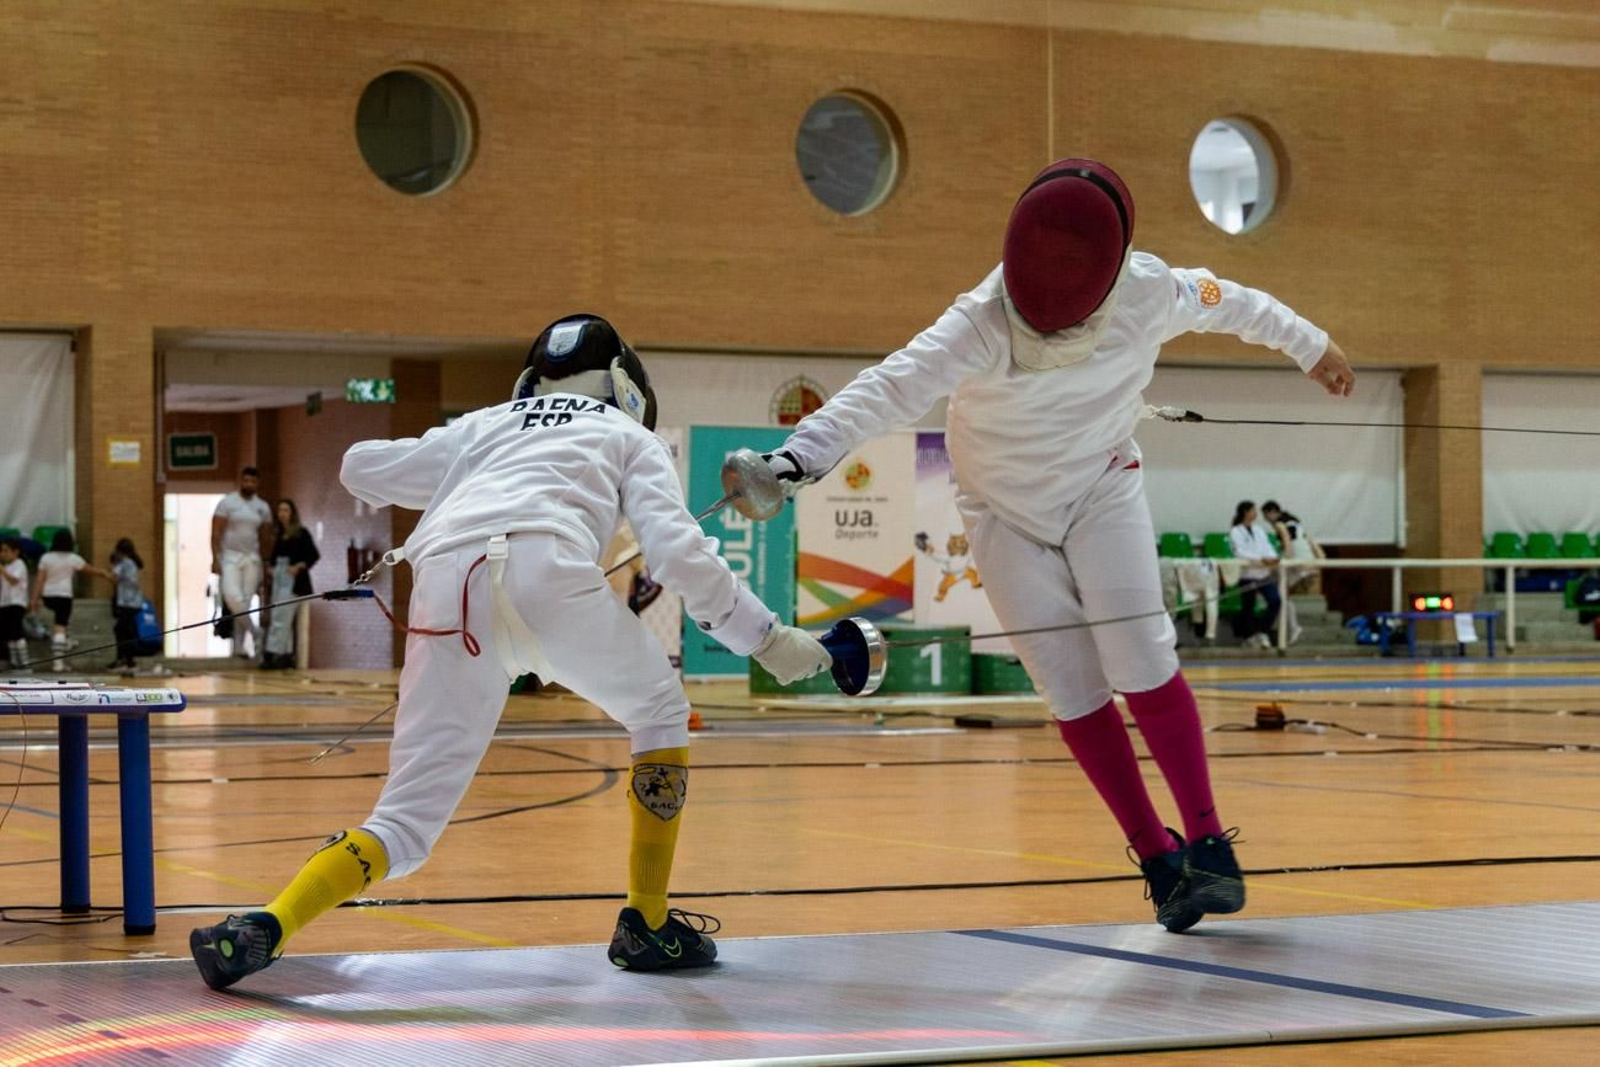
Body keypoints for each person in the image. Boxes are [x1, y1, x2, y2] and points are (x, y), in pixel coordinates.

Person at [758, 159, 1354, 933]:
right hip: (1004, 516)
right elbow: (890, 385)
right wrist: (795, 458)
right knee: (1071, 686)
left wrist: (1313, 345)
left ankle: (1208, 841)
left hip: (1102, 488)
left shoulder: (1153, 289)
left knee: (1141, 653)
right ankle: (1158, 859)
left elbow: (1233, 300)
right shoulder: (979, 320)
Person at [190, 313, 832, 989]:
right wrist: (765, 638)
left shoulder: (483, 425)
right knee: (660, 713)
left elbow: (359, 466)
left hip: (444, 591)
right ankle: (646, 922)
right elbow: (677, 554)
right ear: (627, 386)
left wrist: (458, 465)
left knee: (403, 821)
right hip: (550, 577)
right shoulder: (628, 435)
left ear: (532, 380)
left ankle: (267, 924)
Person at [29, 530, 114, 673]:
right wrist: (105, 574)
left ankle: (64, 642)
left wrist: (34, 599)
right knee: (60, 626)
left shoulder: (46, 558)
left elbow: (39, 580)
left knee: (59, 627)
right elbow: (90, 570)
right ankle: (58, 663)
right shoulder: (73, 558)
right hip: (64, 596)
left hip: (48, 595)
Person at [212, 467, 273, 660]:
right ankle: (256, 632)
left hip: (252, 559)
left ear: (257, 483)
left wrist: (266, 564)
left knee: (246, 601)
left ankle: (238, 646)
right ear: (241, 481)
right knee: (232, 597)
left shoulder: (262, 507)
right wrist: (215, 558)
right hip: (229, 557)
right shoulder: (227, 503)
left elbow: (266, 537)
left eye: (252, 481)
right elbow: (216, 532)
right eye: (246, 480)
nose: (249, 484)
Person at [262, 499, 320, 670]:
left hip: (293, 581)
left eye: (286, 510)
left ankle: (273, 653)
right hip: (279, 578)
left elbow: (313, 555)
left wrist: (298, 566)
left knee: (281, 618)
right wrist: (272, 569)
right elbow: (274, 558)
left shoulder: (301, 533)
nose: (282, 514)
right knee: (279, 617)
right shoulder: (279, 534)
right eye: (280, 510)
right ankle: (285, 654)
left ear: (292, 513)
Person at [1262, 500, 1322, 645]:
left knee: (1280, 592)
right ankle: (1291, 626)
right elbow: (1309, 540)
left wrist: (1287, 558)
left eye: (1265, 516)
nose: (1265, 520)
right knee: (1281, 593)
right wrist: (1319, 556)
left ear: (1272, 512)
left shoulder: (1279, 524)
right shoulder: (1295, 522)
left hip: (1296, 559)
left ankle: (1293, 626)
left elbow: (1286, 538)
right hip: (1306, 558)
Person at [1228, 501, 1281, 648]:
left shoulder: (1259, 530)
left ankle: (1263, 630)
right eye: (1253, 510)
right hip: (1247, 575)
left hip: (1263, 574)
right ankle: (1249, 636)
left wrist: (1272, 557)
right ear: (1246, 512)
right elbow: (1239, 552)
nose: (1256, 513)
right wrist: (1260, 559)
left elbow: (1267, 546)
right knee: (1248, 607)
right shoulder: (1235, 531)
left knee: (1275, 601)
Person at [108, 538, 146, 672]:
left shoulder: (125, 563)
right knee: (124, 631)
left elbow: (114, 577)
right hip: (133, 602)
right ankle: (126, 659)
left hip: (128, 602)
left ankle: (126, 660)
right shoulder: (132, 563)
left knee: (122, 631)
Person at [1, 537, 28, 669]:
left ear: (15, 551)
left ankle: (24, 662)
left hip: (16, 602)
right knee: (8, 634)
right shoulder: (6, 566)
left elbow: (14, 580)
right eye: (2, 551)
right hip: (4, 603)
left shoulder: (19, 564)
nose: (3, 554)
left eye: (6, 551)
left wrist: (2, 570)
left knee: (17, 632)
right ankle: (14, 662)